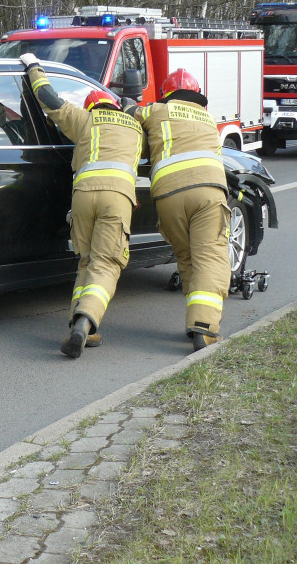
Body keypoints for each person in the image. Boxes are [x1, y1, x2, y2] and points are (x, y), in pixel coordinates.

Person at [20, 53, 143, 358]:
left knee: (86, 263)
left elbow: (48, 98)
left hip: (84, 197)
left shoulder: (84, 119)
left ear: (91, 106)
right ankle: (85, 323)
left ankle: (80, 324)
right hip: (117, 199)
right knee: (107, 265)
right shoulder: (134, 127)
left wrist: (34, 67)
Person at [125, 68, 230, 352]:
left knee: (186, 257)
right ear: (196, 95)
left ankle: (195, 321)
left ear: (167, 94)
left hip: (168, 197)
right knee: (210, 257)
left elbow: (129, 112)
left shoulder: (155, 111)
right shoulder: (209, 119)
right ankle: (204, 328)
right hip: (207, 194)